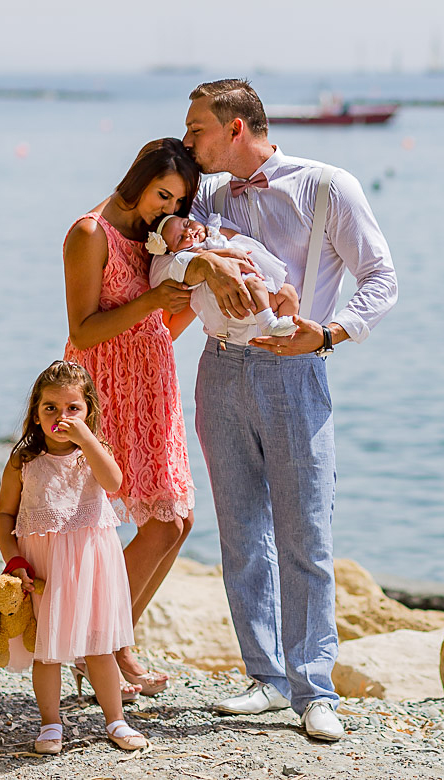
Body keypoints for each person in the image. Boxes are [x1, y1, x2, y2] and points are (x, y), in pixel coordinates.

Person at [160, 78, 397, 742]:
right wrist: (198, 262)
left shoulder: (327, 186)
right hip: (218, 369)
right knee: (240, 535)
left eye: (197, 129)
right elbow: (157, 245)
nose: (188, 141)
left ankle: (314, 690)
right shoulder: (201, 192)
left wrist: (328, 333)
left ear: (235, 128)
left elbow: (382, 278)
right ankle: (265, 680)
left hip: (296, 373)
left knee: (306, 537)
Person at [62, 138, 251, 698]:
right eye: (161, 194)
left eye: (178, 201)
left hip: (152, 381)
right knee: (161, 522)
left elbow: (158, 327)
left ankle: (113, 646)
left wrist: (189, 296)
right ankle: (101, 647)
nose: (167, 208)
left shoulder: (155, 236)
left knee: (179, 521)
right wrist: (151, 303)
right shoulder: (89, 232)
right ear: (138, 177)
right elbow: (83, 331)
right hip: (106, 387)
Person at [0, 360, 148, 754]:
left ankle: (115, 719)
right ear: (35, 413)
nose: (62, 417)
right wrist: (14, 562)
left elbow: (114, 482)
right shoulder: (24, 461)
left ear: (88, 411)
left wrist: (87, 440)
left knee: (99, 645)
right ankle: (50, 723)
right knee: (47, 648)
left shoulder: (93, 454)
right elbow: (5, 515)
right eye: (51, 409)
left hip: (92, 563)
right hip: (43, 566)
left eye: (73, 409)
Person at [148, 213, 298, 338]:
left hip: (259, 282)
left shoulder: (213, 229)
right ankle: (268, 324)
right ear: (175, 251)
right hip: (240, 291)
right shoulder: (194, 252)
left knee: (289, 293)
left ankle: (285, 331)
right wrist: (229, 252)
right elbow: (206, 257)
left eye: (187, 224)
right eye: (181, 238)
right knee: (254, 285)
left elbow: (237, 237)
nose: (188, 232)